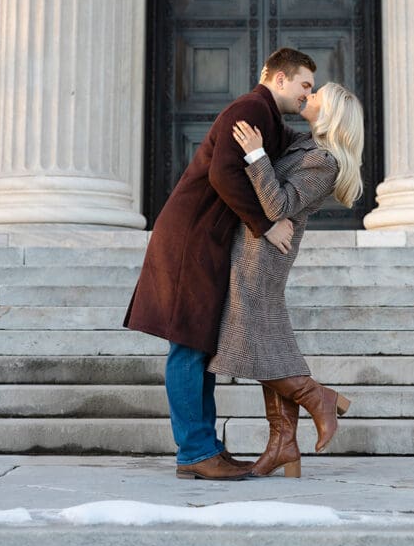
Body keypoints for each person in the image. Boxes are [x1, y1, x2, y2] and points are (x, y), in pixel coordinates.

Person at [123, 47, 317, 480]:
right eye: (304, 85)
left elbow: (302, 147)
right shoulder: (251, 109)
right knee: (187, 346)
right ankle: (194, 452)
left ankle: (204, 447)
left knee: (200, 345)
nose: (308, 93)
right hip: (190, 239)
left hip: (206, 242)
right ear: (279, 78)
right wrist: (267, 224)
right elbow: (223, 174)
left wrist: (332, 123)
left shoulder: (269, 118)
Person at [208, 82, 364, 478]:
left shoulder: (325, 163)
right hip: (253, 247)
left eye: (316, 96)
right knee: (268, 344)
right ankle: (283, 444)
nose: (308, 96)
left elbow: (279, 206)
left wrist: (256, 154)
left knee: (251, 343)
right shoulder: (305, 145)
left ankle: (318, 397)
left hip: (264, 256)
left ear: (330, 113)